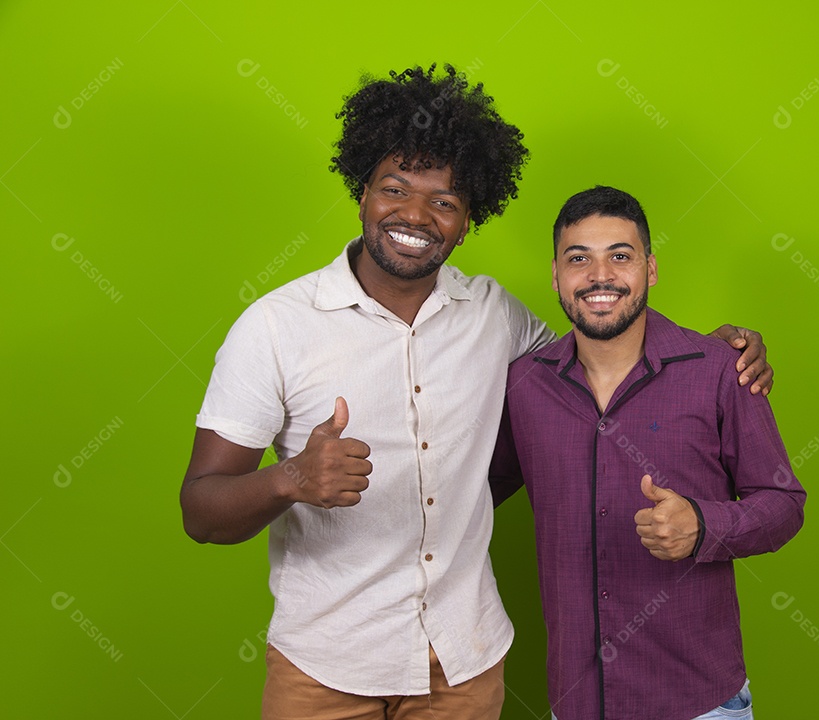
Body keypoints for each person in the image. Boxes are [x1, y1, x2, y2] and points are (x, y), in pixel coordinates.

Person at [180, 65, 773, 719]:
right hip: (325, 666)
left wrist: (706, 355)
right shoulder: (274, 327)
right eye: (395, 189)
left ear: (467, 223)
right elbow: (201, 513)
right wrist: (289, 479)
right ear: (362, 194)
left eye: (444, 201)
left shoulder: (497, 316)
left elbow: (604, 360)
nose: (414, 214)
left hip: (465, 665)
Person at [491, 186, 806, 720]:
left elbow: (783, 502)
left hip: (699, 702)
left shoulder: (719, 371)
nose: (599, 276)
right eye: (578, 259)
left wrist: (704, 525)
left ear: (650, 268)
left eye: (620, 255)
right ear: (556, 276)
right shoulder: (525, 385)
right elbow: (461, 495)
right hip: (575, 701)